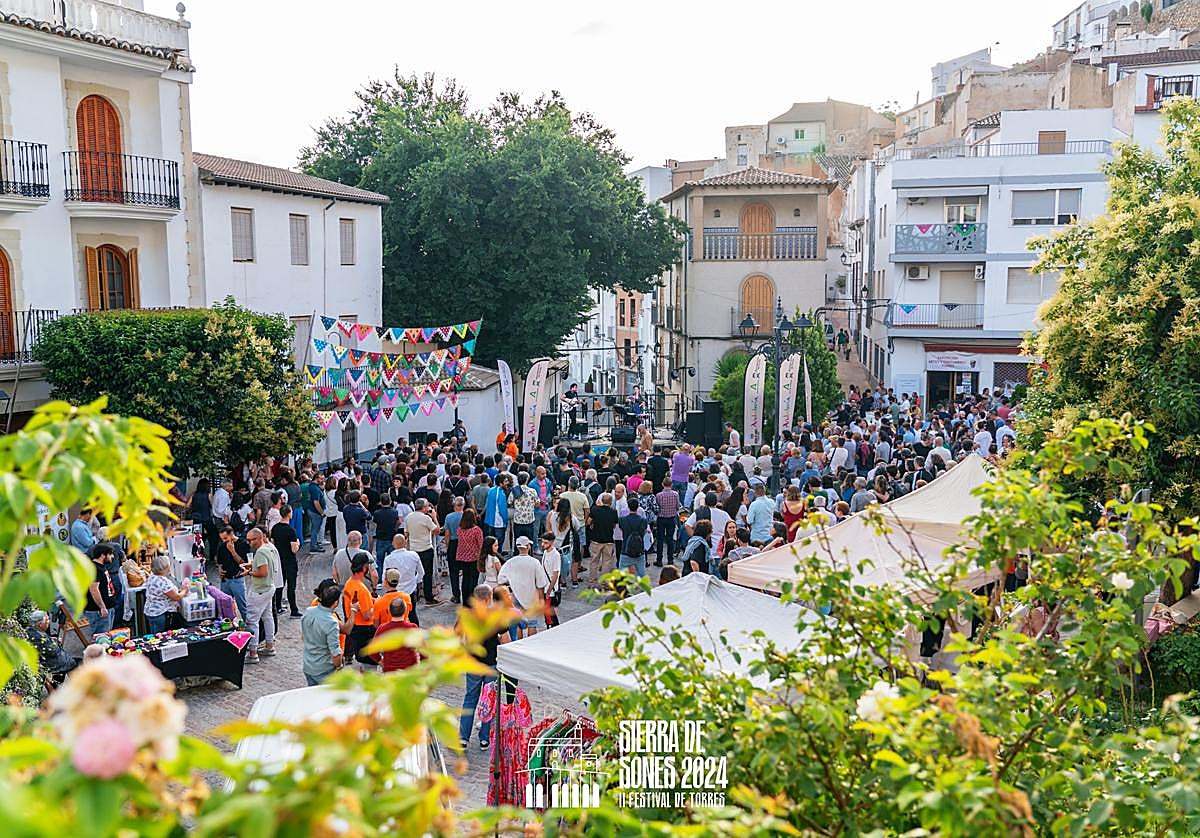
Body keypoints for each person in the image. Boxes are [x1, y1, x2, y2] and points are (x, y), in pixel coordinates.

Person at [458, 584, 502, 750]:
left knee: (470, 699)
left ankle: (463, 737)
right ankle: (484, 738)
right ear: (488, 598)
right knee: (488, 701)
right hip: (491, 663)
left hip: (474, 663)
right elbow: (504, 639)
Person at [496, 536, 549, 633]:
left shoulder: (510, 562)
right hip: (532, 597)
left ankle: (517, 644)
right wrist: (541, 599)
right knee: (532, 624)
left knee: (517, 624)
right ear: (528, 546)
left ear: (517, 547)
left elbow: (501, 579)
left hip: (515, 596)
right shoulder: (535, 562)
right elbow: (541, 583)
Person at [244, 527, 278, 663]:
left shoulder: (260, 553)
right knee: (267, 617)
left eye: (251, 540)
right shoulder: (267, 548)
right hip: (268, 588)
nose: (249, 542)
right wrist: (251, 566)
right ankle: (270, 646)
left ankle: (253, 653)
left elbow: (263, 572)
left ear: (258, 539)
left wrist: (250, 573)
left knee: (252, 621)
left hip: (260, 590)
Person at [301, 582, 345, 686]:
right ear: (335, 603)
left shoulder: (308, 611)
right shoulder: (331, 623)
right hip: (325, 670)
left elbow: (303, 636)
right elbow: (335, 653)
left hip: (308, 666)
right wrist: (339, 667)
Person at [342, 553, 377, 669]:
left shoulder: (349, 583)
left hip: (355, 628)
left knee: (362, 663)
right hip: (365, 630)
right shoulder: (362, 589)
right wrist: (377, 605)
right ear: (364, 567)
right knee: (370, 665)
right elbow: (367, 615)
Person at [382, 534, 423, 626]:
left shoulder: (389, 559)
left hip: (394, 592)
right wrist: (414, 582)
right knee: (412, 614)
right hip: (410, 591)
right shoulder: (414, 555)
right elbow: (421, 573)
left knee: (394, 617)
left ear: (393, 544)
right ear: (405, 543)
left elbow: (384, 577)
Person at [372, 596, 420, 672]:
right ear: (405, 611)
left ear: (389, 611)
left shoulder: (382, 628)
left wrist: (380, 661)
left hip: (390, 669)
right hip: (410, 668)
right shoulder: (412, 627)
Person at [405, 498, 440, 604]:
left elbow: (406, 534)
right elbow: (437, 530)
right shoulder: (426, 518)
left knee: (414, 573)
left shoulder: (409, 517)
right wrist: (434, 517)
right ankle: (428, 597)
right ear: (424, 507)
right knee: (427, 574)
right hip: (425, 548)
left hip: (413, 549)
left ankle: (415, 595)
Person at [271, 504, 302, 618]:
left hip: (279, 560)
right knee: (291, 587)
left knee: (279, 584)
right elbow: (294, 549)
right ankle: (294, 610)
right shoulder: (290, 531)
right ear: (289, 514)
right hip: (290, 561)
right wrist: (298, 543)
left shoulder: (275, 528)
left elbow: (273, 543)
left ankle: (277, 606)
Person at [27, 609, 77, 677]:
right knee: (72, 664)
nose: (49, 622)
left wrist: (51, 639)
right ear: (40, 624)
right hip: (52, 663)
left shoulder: (31, 631)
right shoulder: (38, 637)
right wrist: (56, 642)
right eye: (47, 620)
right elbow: (53, 651)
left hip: (49, 659)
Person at [143, 554, 184, 634]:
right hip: (159, 613)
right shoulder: (163, 582)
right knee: (159, 636)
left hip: (151, 611)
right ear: (165, 568)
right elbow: (176, 597)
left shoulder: (152, 577)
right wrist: (185, 590)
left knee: (154, 634)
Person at [215, 526, 249, 622]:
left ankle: (250, 628)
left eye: (225, 538)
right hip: (225, 580)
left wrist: (232, 551)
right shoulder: (222, 546)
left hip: (237, 579)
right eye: (222, 539)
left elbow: (244, 564)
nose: (224, 541)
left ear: (231, 534)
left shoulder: (242, 544)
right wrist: (220, 569)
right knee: (225, 607)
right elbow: (219, 562)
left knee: (243, 607)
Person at [83, 543, 118, 635]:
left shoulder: (101, 567)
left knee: (105, 637)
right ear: (102, 555)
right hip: (98, 611)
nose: (113, 556)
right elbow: (94, 589)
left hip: (106, 608)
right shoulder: (94, 568)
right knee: (101, 638)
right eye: (110, 554)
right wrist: (102, 607)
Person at [452, 508, 483, 604]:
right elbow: (481, 544)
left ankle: (465, 601)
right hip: (474, 558)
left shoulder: (460, 530)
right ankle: (472, 601)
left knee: (465, 579)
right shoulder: (477, 530)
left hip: (462, 557)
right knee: (473, 580)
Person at [586, 492, 618, 584]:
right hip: (608, 540)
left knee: (594, 561)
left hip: (596, 539)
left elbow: (588, 522)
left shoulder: (595, 510)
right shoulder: (613, 512)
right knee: (607, 562)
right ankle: (604, 581)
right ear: (611, 502)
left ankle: (592, 579)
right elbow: (614, 525)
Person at [618, 495, 649, 577]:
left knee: (621, 574)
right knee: (641, 573)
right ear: (638, 507)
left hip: (625, 549)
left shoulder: (622, 520)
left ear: (628, 507)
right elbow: (645, 531)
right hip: (639, 549)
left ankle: (621, 589)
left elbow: (621, 530)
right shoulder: (643, 520)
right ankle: (644, 589)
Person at [371, 495, 400, 577]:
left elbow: (375, 523)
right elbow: (398, 522)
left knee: (379, 561)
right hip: (391, 538)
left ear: (381, 502)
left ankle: (379, 579)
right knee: (392, 561)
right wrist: (395, 528)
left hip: (380, 538)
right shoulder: (394, 512)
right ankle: (392, 577)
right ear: (390, 501)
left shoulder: (377, 513)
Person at [539, 532, 561, 628]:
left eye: (546, 542)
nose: (543, 544)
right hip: (544, 587)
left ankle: (552, 626)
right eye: (542, 542)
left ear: (552, 542)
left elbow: (555, 574)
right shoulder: (545, 552)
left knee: (548, 610)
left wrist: (549, 590)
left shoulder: (555, 555)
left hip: (550, 589)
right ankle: (551, 626)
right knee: (547, 610)